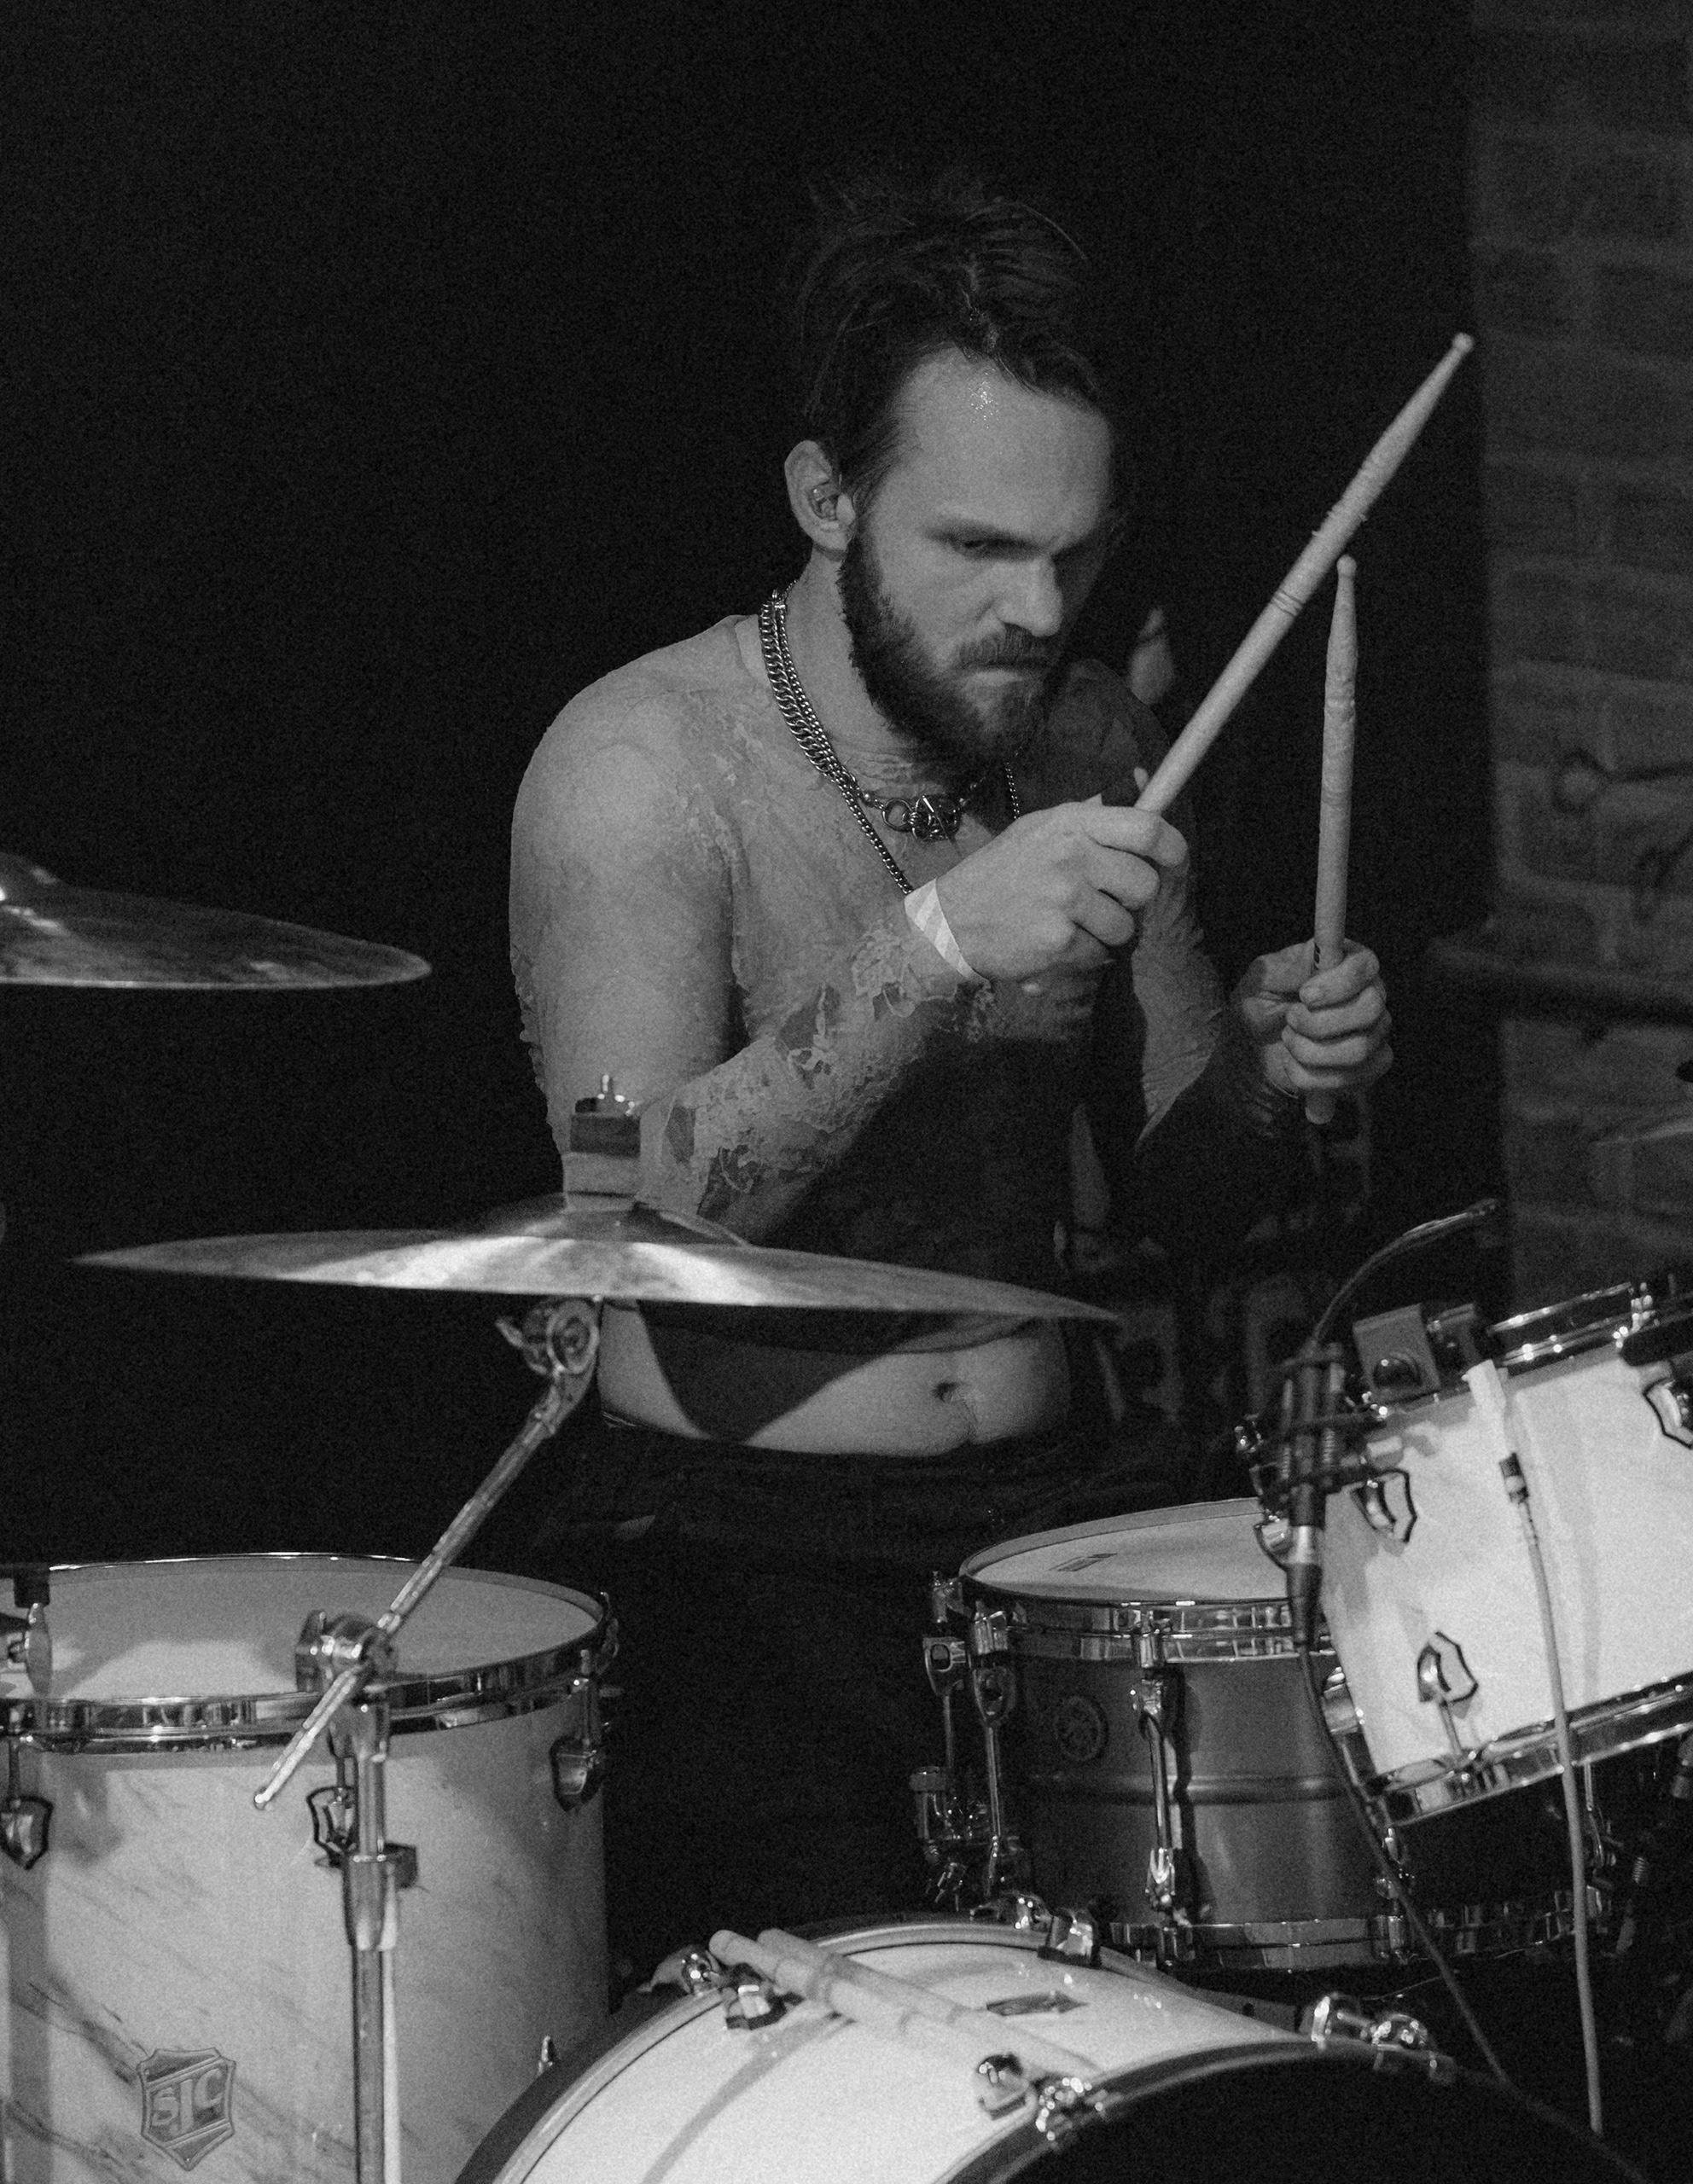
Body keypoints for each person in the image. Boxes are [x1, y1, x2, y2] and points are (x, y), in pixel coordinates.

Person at [505, 168, 1391, 1976]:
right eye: (976, 549)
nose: (1035, 607)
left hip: (1043, 1535)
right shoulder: (641, 770)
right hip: (747, 1560)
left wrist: (1268, 1075)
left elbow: (1185, 1193)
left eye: (1074, 553)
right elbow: (623, 1213)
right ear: (826, 497)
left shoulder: (1086, 735)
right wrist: (934, 947)